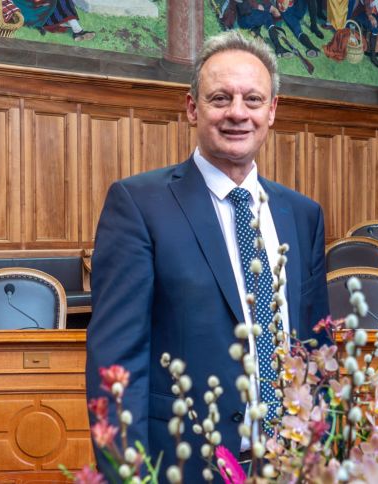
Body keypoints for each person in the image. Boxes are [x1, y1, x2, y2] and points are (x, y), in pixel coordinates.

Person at [85, 30, 329, 481]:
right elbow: (117, 364)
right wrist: (127, 474)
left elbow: (316, 351)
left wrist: (320, 455)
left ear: (272, 110)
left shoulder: (302, 214)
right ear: (192, 108)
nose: (237, 112)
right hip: (184, 464)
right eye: (220, 98)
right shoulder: (138, 205)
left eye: (253, 99)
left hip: (290, 463)